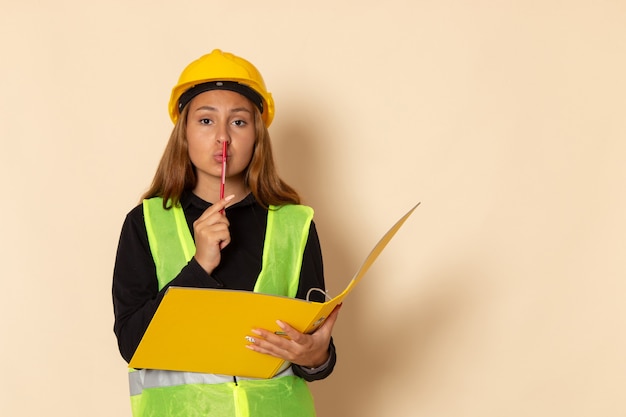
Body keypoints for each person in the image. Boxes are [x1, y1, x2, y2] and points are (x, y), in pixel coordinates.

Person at [112, 49, 340, 417]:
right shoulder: (145, 223)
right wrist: (199, 266)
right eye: (205, 121)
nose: (222, 138)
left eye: (238, 122)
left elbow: (311, 349)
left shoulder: (294, 225)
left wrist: (318, 357)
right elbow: (132, 343)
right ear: (183, 132)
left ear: (257, 135)